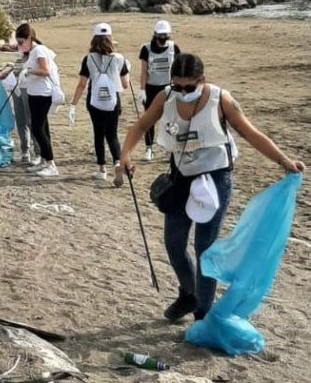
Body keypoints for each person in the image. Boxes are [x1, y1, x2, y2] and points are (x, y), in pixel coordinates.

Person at [119, 53, 305, 322]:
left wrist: (284, 160)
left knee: (204, 246)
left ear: (202, 81)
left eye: (189, 87)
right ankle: (188, 293)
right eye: (177, 86)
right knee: (174, 243)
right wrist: (125, 155)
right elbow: (140, 125)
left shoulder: (221, 99)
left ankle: (202, 313)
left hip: (215, 179)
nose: (183, 92)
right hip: (180, 178)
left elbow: (250, 133)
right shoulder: (166, 97)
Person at [68, 23, 130, 186]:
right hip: (113, 101)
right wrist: (126, 69)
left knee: (98, 133)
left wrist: (73, 104)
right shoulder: (119, 59)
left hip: (94, 101)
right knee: (112, 135)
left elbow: (82, 83)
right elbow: (125, 84)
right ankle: (117, 163)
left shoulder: (88, 59)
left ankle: (101, 169)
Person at [16, 23, 60, 176]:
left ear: (29, 38)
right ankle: (43, 160)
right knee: (43, 128)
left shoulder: (39, 50)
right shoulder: (32, 52)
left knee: (37, 128)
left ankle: (51, 163)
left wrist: (29, 71)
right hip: (34, 93)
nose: (20, 45)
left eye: (21, 42)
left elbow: (45, 70)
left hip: (43, 94)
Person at [138, 20, 181, 162]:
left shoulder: (174, 48)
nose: (163, 39)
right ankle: (149, 148)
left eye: (166, 36)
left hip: (169, 87)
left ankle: (169, 148)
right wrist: (142, 89)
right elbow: (144, 71)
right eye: (160, 35)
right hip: (151, 88)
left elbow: (178, 69)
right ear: (155, 35)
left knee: (170, 119)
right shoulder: (146, 49)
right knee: (150, 119)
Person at [0, 48, 42, 164]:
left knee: (31, 122)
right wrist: (1, 75)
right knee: (21, 121)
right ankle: (25, 151)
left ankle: (38, 152)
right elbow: (15, 72)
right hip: (17, 90)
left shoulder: (36, 56)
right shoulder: (21, 58)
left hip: (30, 92)